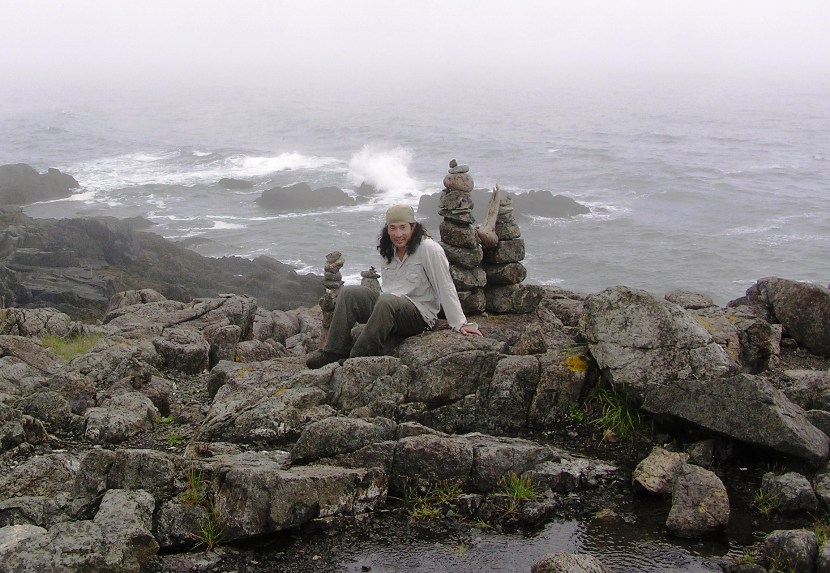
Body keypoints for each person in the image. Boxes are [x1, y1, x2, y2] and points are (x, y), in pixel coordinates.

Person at [306, 203, 483, 368]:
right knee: (349, 293)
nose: (398, 234)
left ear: (413, 227)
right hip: (389, 306)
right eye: (393, 228)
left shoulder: (429, 249)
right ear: (387, 229)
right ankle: (334, 351)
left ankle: (359, 356)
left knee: (386, 301)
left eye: (403, 227)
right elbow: (389, 288)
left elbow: (445, 286)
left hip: (419, 316)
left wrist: (459, 323)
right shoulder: (387, 250)